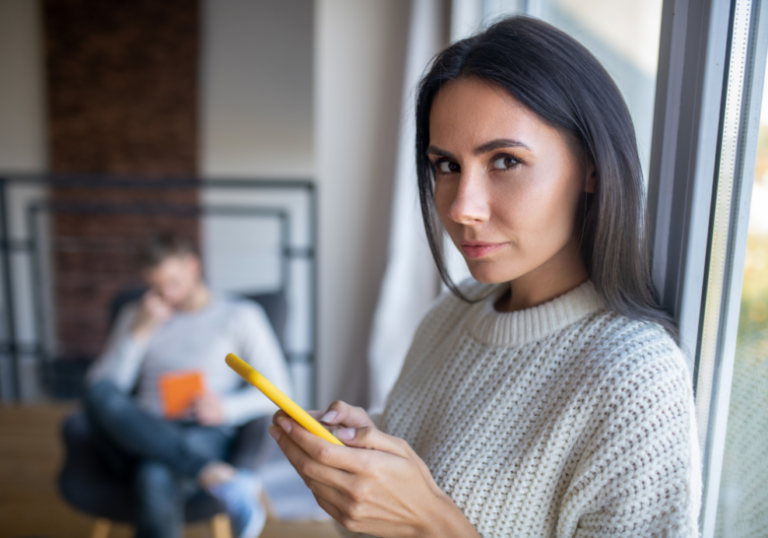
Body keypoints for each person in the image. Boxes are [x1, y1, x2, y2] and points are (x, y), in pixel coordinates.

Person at [269, 16, 701, 538]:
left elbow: (430, 509)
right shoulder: (453, 315)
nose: (463, 208)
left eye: (504, 160)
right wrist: (366, 449)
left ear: (591, 165)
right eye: (446, 166)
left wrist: (432, 522)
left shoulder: (634, 378)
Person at [83, 232, 292, 538]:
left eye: (173, 282)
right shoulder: (139, 314)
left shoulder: (239, 316)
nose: (167, 295)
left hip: (204, 430)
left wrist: (227, 408)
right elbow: (105, 388)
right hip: (140, 429)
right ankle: (216, 477)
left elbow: (282, 392)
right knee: (97, 392)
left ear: (193, 266)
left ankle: (206, 470)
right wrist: (139, 334)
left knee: (154, 473)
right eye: (155, 286)